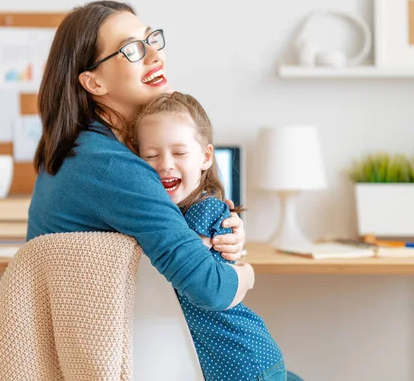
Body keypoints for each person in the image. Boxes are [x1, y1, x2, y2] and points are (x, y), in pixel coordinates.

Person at [27, 0, 254, 315]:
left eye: (151, 40)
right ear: (93, 82)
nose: (155, 55)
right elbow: (212, 289)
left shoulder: (84, 148)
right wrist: (247, 273)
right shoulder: (110, 166)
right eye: (132, 49)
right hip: (126, 355)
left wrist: (219, 229)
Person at [130, 92, 304, 381]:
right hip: (228, 361)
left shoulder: (206, 208)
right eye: (151, 155)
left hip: (244, 359)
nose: (165, 164)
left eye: (179, 152)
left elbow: (184, 253)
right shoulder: (172, 214)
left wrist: (245, 271)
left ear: (205, 157)